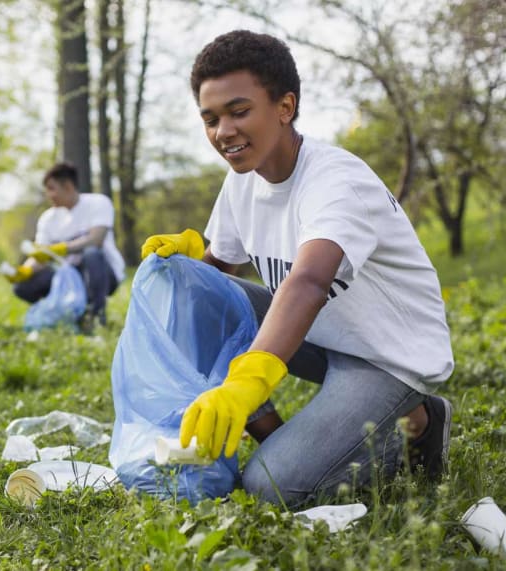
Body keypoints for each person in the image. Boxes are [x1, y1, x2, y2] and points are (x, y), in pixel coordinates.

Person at [140, 30, 454, 507]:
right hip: (321, 337)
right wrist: (185, 264)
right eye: (211, 118)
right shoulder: (242, 180)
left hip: (386, 354)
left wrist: (246, 382)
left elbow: (308, 282)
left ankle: (420, 422)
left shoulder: (334, 180)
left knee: (270, 486)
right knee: (192, 290)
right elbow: (213, 279)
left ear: (285, 107)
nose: (223, 131)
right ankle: (280, 440)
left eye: (239, 112)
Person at [7, 162, 125, 327]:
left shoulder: (98, 203)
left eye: (52, 188)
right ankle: (63, 312)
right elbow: (41, 254)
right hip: (66, 276)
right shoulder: (48, 218)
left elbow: (96, 239)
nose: (49, 195)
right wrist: (25, 270)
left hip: (101, 273)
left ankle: (96, 316)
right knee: (22, 287)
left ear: (68, 186)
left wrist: (62, 249)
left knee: (92, 253)